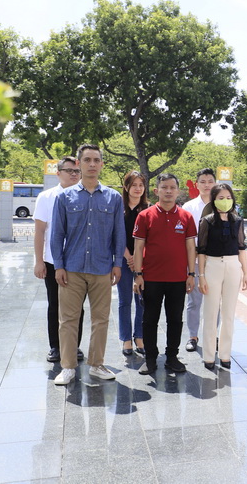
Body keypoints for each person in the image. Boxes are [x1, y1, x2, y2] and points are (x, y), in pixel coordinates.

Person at [51, 143, 125, 385]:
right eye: (87, 160)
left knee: (101, 319)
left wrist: (117, 264)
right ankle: (68, 367)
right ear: (78, 164)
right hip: (71, 269)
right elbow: (57, 234)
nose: (92, 164)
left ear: (102, 164)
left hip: (102, 268)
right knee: (68, 320)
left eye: (96, 160)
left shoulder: (114, 198)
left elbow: (119, 234)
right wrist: (59, 265)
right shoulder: (65, 197)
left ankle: (96, 364)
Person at [133, 173, 197, 374]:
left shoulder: (186, 217)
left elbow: (190, 247)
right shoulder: (145, 216)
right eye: (164, 187)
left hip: (178, 279)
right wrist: (138, 274)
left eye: (172, 188)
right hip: (151, 278)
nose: (168, 191)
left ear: (178, 191)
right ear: (156, 190)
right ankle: (150, 358)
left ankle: (172, 357)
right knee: (149, 320)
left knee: (175, 320)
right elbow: (138, 247)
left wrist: (191, 274)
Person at [33, 156, 84, 364]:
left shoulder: (86, 196)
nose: (73, 174)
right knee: (55, 304)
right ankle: (55, 346)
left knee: (78, 307)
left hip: (79, 261)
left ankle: (74, 345)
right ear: (58, 173)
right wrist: (39, 261)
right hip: (53, 261)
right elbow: (39, 231)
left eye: (76, 171)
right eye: (69, 170)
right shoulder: (46, 197)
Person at [197, 183, 247, 370]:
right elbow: (201, 250)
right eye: (221, 198)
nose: (225, 201)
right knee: (210, 313)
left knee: (229, 313)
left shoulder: (238, 221)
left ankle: (225, 354)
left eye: (228, 198)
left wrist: (246, 273)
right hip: (212, 265)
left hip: (233, 266)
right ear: (213, 200)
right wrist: (201, 275)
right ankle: (209, 356)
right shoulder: (207, 221)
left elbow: (241, 248)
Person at [182, 168, 217, 353]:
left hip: (215, 260)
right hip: (194, 261)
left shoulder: (221, 204)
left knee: (214, 301)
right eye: (202, 181)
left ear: (215, 183)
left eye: (210, 181)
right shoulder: (188, 207)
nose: (206, 185)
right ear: (197, 184)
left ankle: (212, 334)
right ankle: (193, 336)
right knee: (194, 301)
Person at [117, 170, 149, 356]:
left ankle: (140, 337)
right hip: (123, 259)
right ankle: (126, 339)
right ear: (126, 187)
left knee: (142, 300)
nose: (138, 188)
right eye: (134, 185)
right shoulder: (118, 208)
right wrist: (128, 257)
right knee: (125, 301)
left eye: (141, 185)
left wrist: (138, 259)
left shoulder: (148, 209)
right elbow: (115, 235)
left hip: (143, 261)